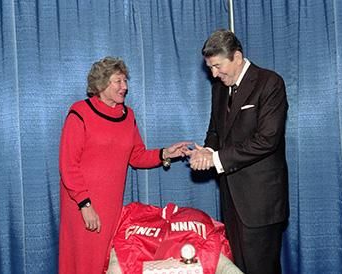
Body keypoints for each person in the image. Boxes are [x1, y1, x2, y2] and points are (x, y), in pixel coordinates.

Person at [58, 56, 190, 274]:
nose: (125, 87)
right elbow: (68, 165)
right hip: (82, 206)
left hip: (111, 208)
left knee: (105, 264)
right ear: (101, 84)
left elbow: (136, 156)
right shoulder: (80, 112)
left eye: (125, 81)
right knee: (83, 264)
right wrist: (85, 205)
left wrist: (166, 153)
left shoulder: (128, 116)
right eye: (118, 81)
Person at [188, 29, 289, 274]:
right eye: (210, 67)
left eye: (217, 66)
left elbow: (267, 140)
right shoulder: (220, 88)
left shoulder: (270, 83)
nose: (213, 73)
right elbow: (215, 131)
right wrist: (207, 150)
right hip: (231, 200)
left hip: (261, 204)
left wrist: (215, 158)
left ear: (237, 56)